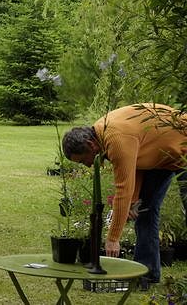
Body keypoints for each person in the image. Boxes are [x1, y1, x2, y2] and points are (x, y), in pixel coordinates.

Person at [62, 103, 187, 284]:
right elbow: (137, 161)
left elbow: (123, 189)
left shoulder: (116, 139)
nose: (88, 166)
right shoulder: (99, 132)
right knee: (145, 211)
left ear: (91, 145)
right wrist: (134, 200)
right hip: (162, 154)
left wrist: (113, 238)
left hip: (182, 145)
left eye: (83, 161)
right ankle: (147, 274)